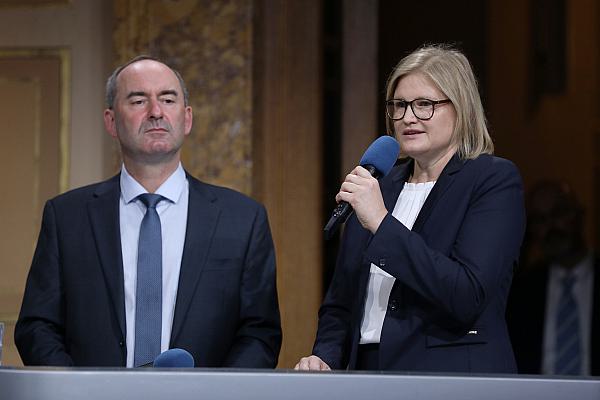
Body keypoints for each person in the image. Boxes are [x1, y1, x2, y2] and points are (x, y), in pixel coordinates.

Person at [14, 56, 282, 368]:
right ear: (111, 121)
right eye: (138, 100)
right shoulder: (66, 217)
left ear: (187, 118)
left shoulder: (243, 219)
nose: (156, 112)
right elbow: (38, 327)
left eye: (168, 99)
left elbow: (260, 333)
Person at [295, 44, 525, 372]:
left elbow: (466, 293)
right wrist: (325, 357)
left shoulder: (492, 180)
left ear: (461, 107)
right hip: (368, 374)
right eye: (399, 105)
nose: (408, 118)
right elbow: (340, 303)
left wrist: (381, 222)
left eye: (424, 105)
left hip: (451, 376)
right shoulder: (381, 186)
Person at [507, 180, 600, 375]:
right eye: (540, 219)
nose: (551, 227)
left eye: (559, 213)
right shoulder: (521, 291)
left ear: (580, 215)